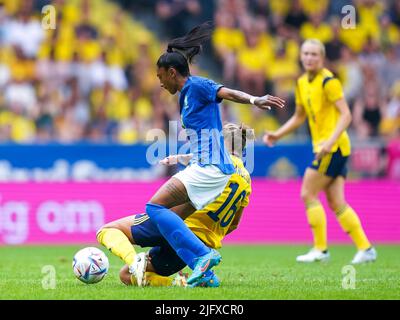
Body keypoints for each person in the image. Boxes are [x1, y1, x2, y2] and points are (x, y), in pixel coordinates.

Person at [134, 21, 284, 287]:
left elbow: (227, 92)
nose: (158, 83)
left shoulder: (198, 85)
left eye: (159, 77)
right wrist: (181, 158)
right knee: (165, 210)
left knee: (154, 207)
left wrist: (254, 100)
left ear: (171, 72)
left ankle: (202, 256)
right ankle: (205, 275)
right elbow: (204, 138)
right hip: (205, 165)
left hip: (212, 168)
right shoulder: (184, 97)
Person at [97, 123, 254, 287]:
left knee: (107, 230)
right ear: (242, 149)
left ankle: (134, 260)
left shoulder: (214, 166)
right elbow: (233, 225)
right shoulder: (246, 180)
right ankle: (181, 283)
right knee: (126, 275)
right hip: (197, 245)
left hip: (176, 226)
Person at [263, 39, 377, 264]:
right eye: (305, 53)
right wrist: (278, 134)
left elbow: (346, 115)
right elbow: (299, 116)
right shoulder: (302, 82)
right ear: (301, 56)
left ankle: (320, 249)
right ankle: (366, 248)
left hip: (333, 147)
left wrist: (329, 142)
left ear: (322, 58)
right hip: (329, 147)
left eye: (314, 54)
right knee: (336, 202)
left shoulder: (329, 81)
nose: (309, 58)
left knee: (307, 192)